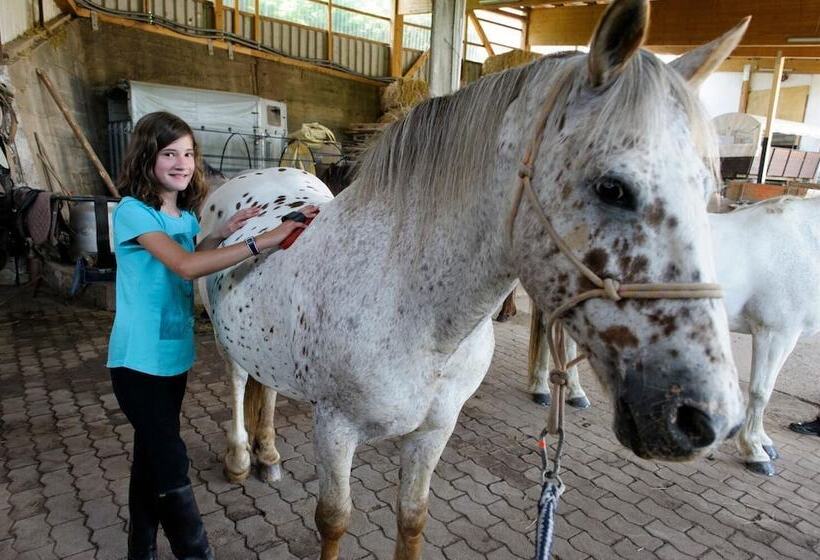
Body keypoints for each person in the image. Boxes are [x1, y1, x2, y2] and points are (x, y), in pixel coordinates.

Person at [107, 111, 318, 560]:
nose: (182, 163)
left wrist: (222, 232)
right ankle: (195, 552)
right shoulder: (132, 212)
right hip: (137, 363)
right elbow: (184, 268)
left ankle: (139, 549)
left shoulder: (181, 216)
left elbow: (192, 254)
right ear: (147, 157)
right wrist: (268, 240)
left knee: (150, 461)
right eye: (169, 154)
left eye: (187, 153)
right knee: (171, 467)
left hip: (173, 358)